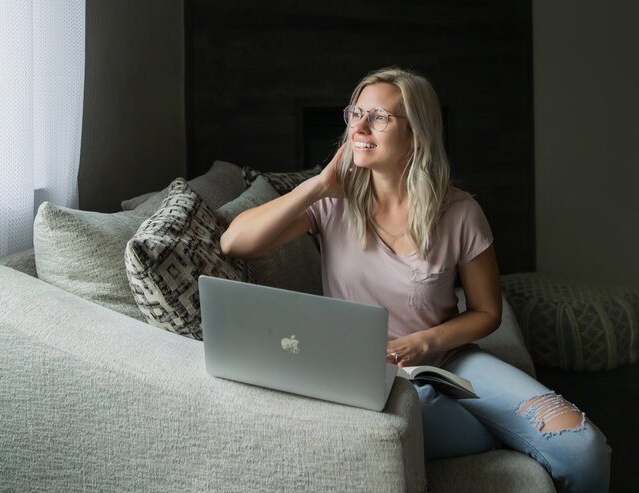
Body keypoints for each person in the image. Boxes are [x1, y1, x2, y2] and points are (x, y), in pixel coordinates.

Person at [220, 66, 611, 493]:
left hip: (449, 363)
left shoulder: (460, 212)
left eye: (380, 117)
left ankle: (501, 432)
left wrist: (424, 342)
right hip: (364, 377)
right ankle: (496, 433)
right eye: (356, 113)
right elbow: (234, 243)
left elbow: (487, 312)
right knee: (411, 425)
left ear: (418, 136)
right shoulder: (331, 203)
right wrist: (315, 187)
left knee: (581, 444)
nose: (361, 127)